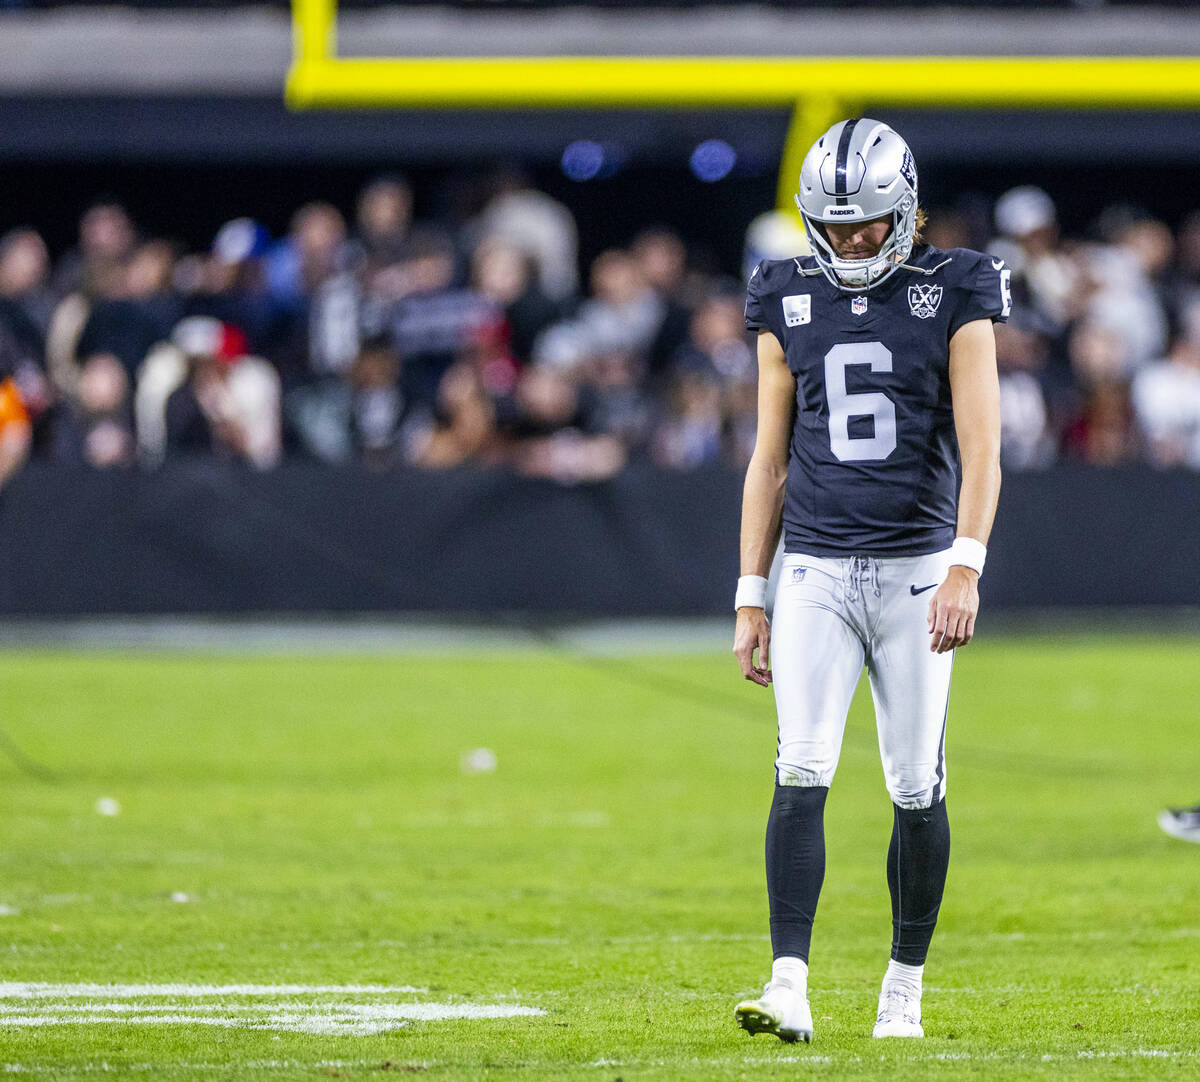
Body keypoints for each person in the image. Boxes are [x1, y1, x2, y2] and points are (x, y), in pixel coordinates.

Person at [732, 119, 1008, 1043]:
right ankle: (789, 985)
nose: (851, 242)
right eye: (835, 226)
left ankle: (903, 988)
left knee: (913, 782)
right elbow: (768, 459)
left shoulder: (957, 287)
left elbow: (982, 446)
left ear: (906, 209)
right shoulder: (782, 292)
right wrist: (750, 591)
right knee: (799, 767)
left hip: (917, 569)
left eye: (868, 226)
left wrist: (966, 565)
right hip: (813, 564)